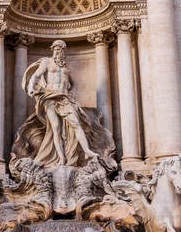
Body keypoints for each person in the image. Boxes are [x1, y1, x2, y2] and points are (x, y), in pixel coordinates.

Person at [11, 40, 116, 171]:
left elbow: (73, 83)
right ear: (53, 49)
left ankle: (87, 151)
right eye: (56, 49)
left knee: (76, 123)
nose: (58, 51)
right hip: (49, 97)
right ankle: (61, 157)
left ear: (64, 51)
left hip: (64, 98)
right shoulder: (47, 62)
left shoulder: (66, 67)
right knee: (55, 128)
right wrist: (31, 87)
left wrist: (72, 93)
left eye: (61, 49)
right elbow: (36, 75)